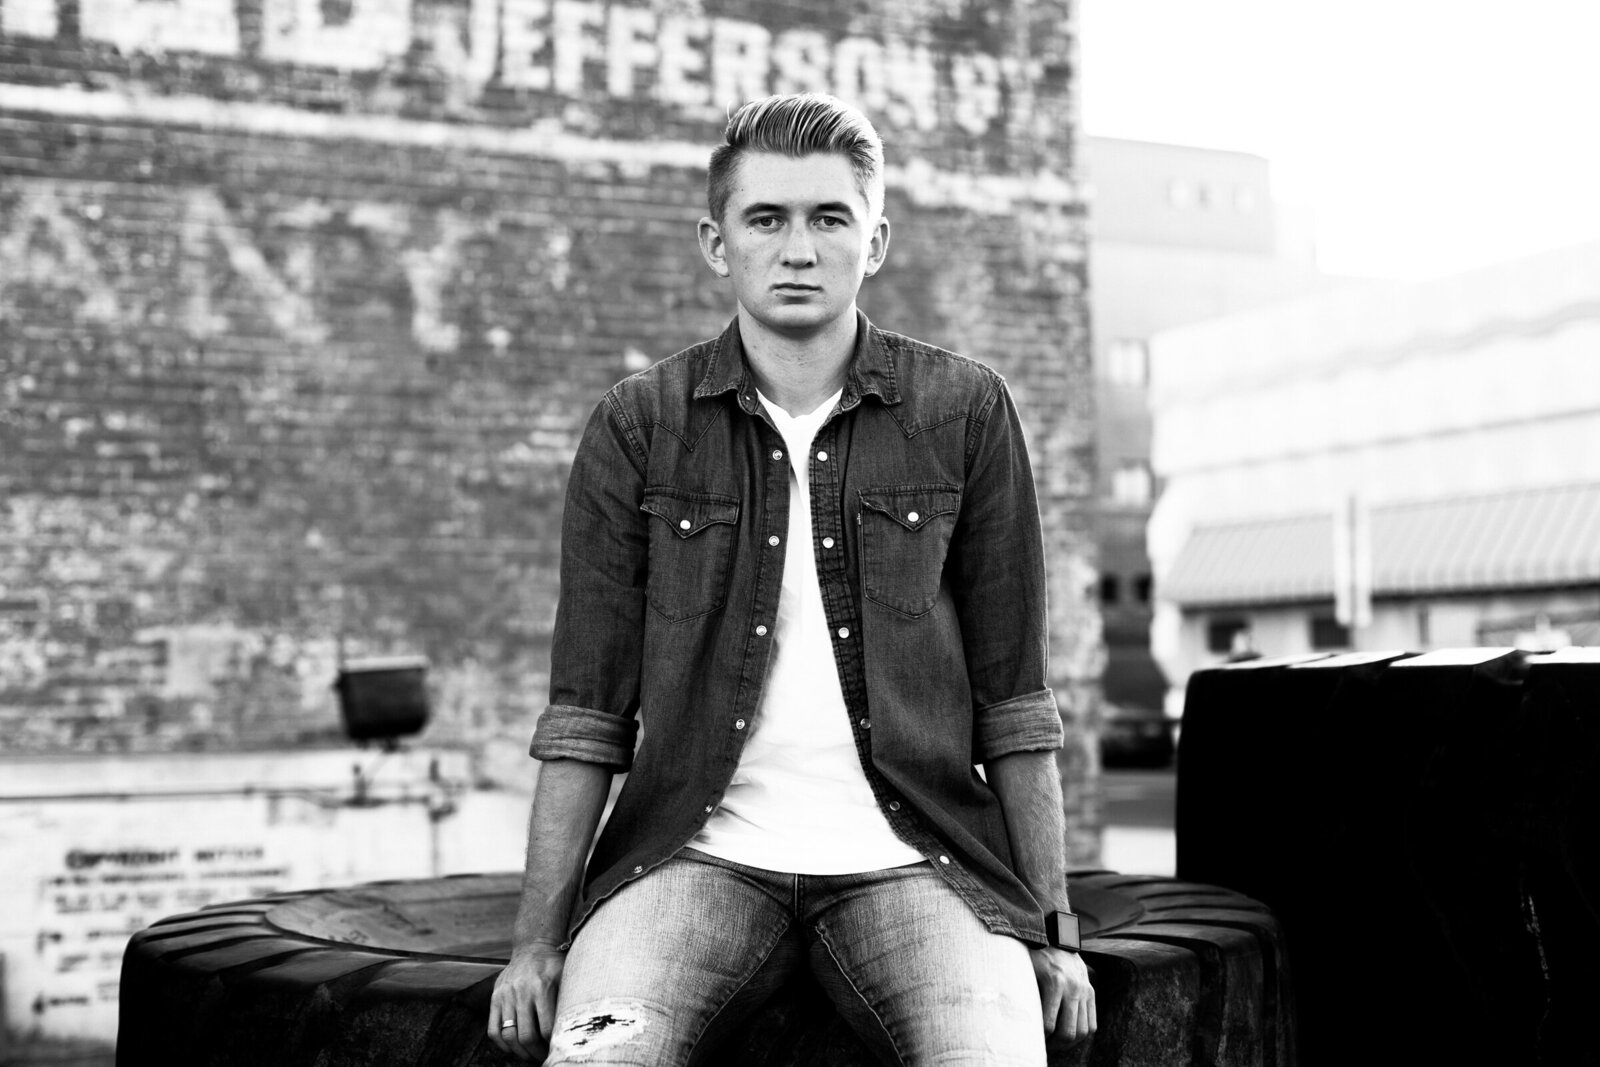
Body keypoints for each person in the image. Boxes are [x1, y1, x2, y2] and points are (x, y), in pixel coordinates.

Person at [487, 92, 1095, 1066]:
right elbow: (584, 712)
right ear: (716, 242)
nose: (799, 248)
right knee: (598, 1056)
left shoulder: (962, 410)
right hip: (689, 860)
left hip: (920, 865)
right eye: (766, 219)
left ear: (877, 239)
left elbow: (1015, 699)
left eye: (829, 218)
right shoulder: (640, 425)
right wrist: (535, 940)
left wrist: (1055, 932)